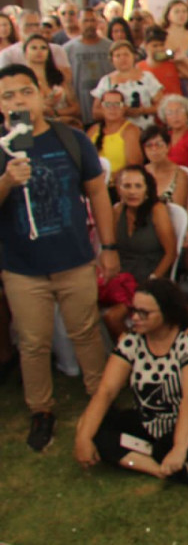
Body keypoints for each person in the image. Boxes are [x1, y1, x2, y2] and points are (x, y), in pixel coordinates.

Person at [0, 64, 119, 451]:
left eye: (24, 92)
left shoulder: (71, 139)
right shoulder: (2, 148)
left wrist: (109, 247)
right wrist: (6, 181)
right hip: (22, 267)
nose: (18, 101)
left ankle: (101, 398)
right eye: (8, 96)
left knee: (85, 330)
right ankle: (42, 411)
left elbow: (98, 193)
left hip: (74, 259)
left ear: (41, 94)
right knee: (33, 342)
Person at [73, 279, 188, 482]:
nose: (135, 318)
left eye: (144, 313)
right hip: (150, 421)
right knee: (94, 426)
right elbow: (106, 391)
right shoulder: (132, 340)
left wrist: (179, 448)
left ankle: (157, 457)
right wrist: (83, 438)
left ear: (166, 312)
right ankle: (158, 469)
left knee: (167, 447)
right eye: (133, 311)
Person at [111, 165, 176, 284]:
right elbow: (112, 248)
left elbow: (171, 253)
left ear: (146, 189)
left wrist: (153, 279)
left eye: (138, 186)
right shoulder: (117, 210)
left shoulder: (157, 210)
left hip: (151, 277)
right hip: (122, 277)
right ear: (119, 189)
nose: (132, 192)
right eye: (127, 186)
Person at [90, 40, 162, 130]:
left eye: (126, 54)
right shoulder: (106, 81)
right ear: (112, 59)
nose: (122, 59)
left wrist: (142, 111)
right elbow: (96, 112)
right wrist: (119, 111)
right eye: (118, 56)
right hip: (118, 130)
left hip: (146, 129)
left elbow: (161, 105)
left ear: (134, 56)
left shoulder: (147, 77)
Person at [64, 8, 114, 125]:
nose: (90, 24)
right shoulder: (67, 49)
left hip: (107, 108)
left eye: (93, 20)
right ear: (78, 22)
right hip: (81, 108)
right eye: (86, 21)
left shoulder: (110, 47)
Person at [87, 89, 143, 178]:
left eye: (117, 104)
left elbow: (134, 166)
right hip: (95, 183)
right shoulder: (93, 130)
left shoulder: (130, 131)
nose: (112, 108)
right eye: (107, 104)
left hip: (119, 184)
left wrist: (108, 177)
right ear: (101, 108)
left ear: (124, 107)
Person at [23, 33, 79, 122]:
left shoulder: (58, 75)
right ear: (25, 52)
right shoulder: (21, 78)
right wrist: (42, 105)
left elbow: (75, 108)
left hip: (62, 125)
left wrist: (54, 112)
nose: (39, 51)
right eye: (34, 48)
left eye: (43, 48)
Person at [140, 125, 188, 207]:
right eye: (149, 145)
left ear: (168, 146)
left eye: (159, 144)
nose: (154, 150)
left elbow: (178, 210)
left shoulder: (180, 175)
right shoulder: (140, 173)